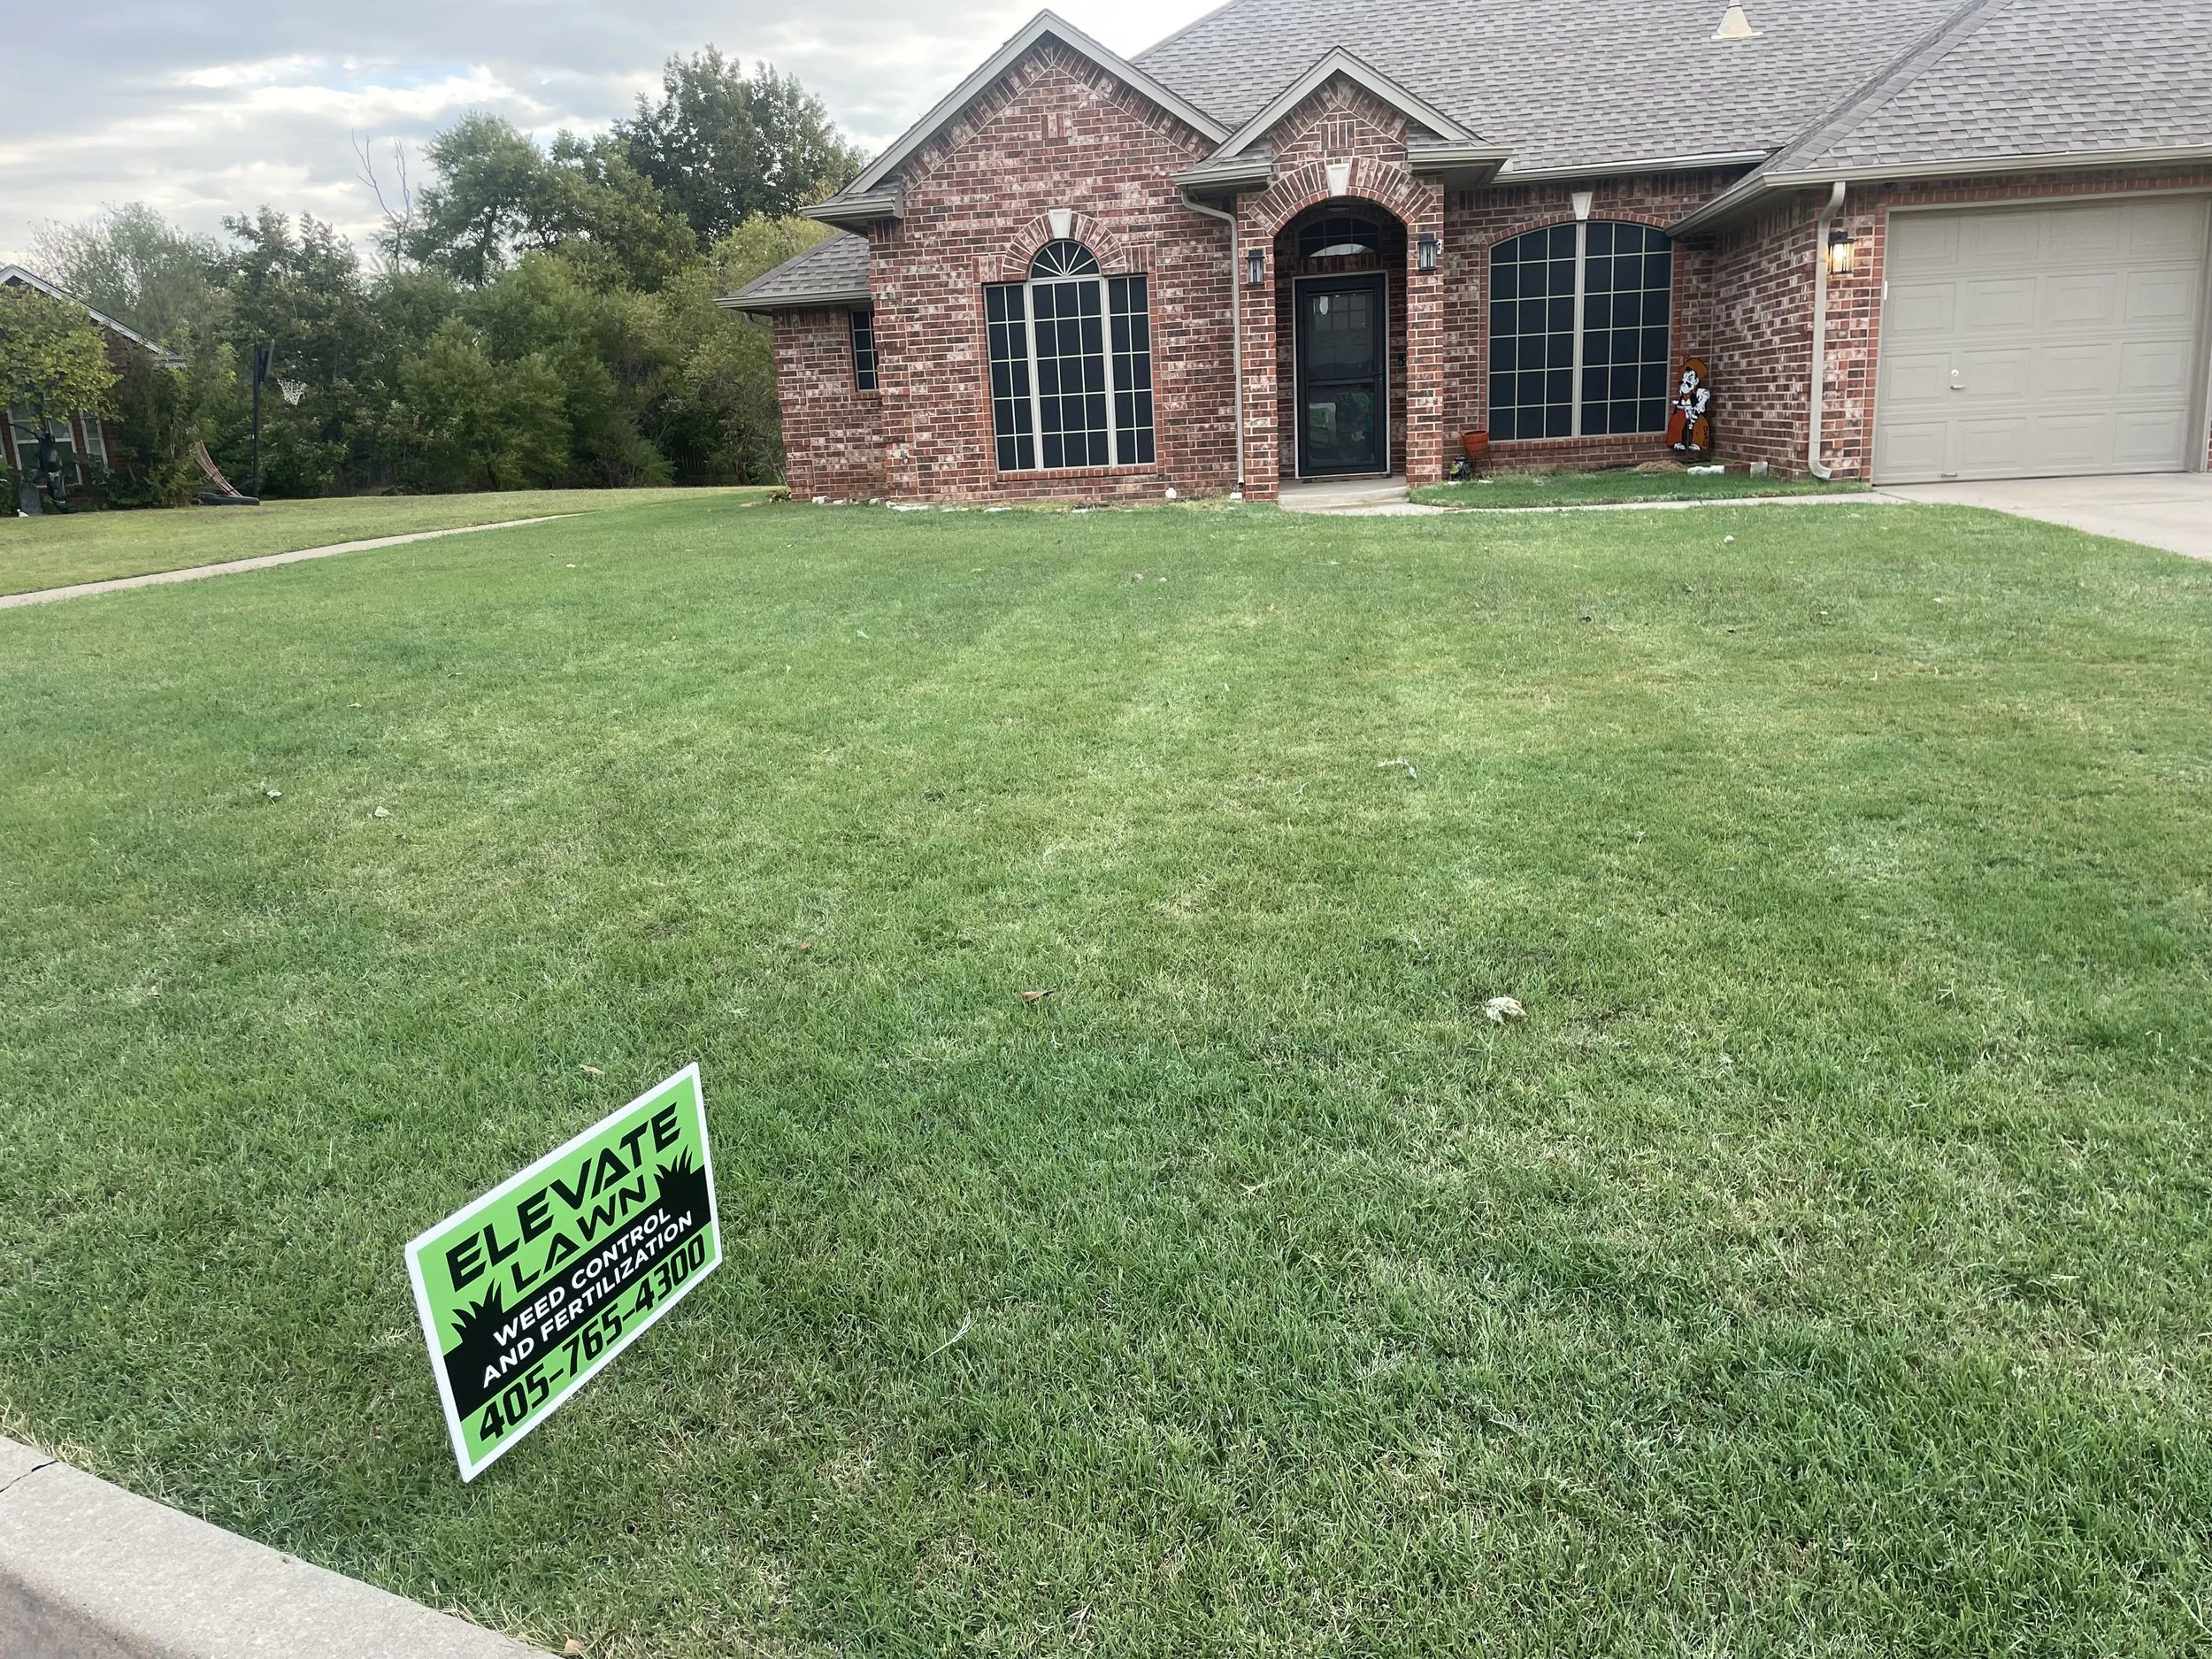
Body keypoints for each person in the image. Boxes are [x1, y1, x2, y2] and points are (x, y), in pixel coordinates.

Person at [35, 422, 73, 512]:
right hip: (53, 471)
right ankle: (58, 504)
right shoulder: (49, 449)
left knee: (56, 488)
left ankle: (60, 504)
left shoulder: (47, 449)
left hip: (52, 471)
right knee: (56, 488)